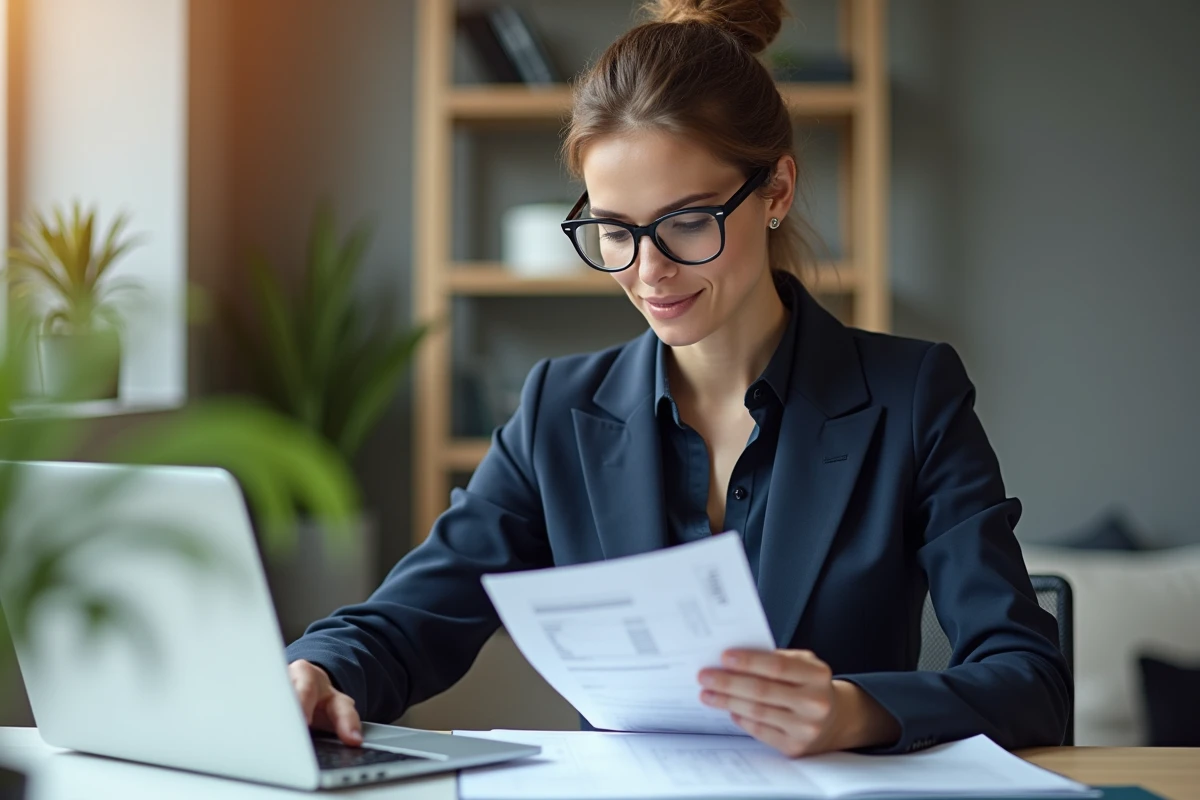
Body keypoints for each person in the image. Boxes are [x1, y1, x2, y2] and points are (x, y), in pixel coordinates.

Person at [287, 0, 1071, 758]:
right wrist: (318, 671)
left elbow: (1028, 679)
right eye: (614, 231)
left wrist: (851, 710)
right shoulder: (558, 411)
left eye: (687, 221)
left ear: (778, 191)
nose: (648, 271)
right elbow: (409, 620)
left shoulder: (911, 396)